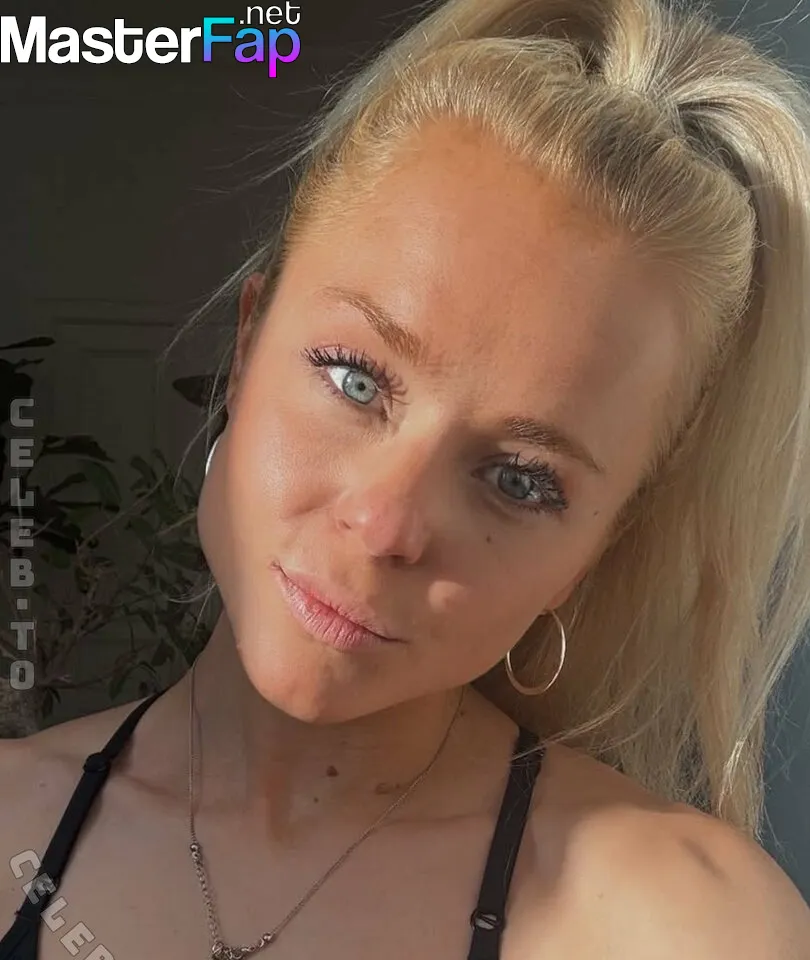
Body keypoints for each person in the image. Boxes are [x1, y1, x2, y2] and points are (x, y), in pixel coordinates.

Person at [3, 0, 810, 956]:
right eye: (355, 379)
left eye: (521, 479)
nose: (385, 524)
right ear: (249, 344)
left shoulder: (685, 930)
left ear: (599, 544)